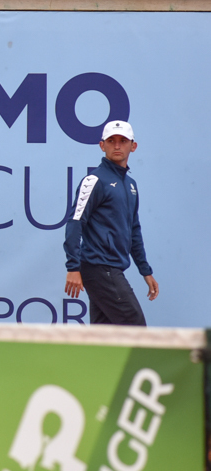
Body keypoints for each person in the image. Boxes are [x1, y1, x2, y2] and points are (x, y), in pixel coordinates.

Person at [63, 120, 159, 326]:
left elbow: (133, 230)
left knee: (104, 336)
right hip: (99, 267)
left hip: (110, 268)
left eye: (123, 141)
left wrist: (145, 270)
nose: (117, 146)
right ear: (102, 145)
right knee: (136, 329)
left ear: (133, 146)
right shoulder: (93, 181)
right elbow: (75, 222)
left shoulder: (131, 185)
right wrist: (73, 267)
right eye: (111, 141)